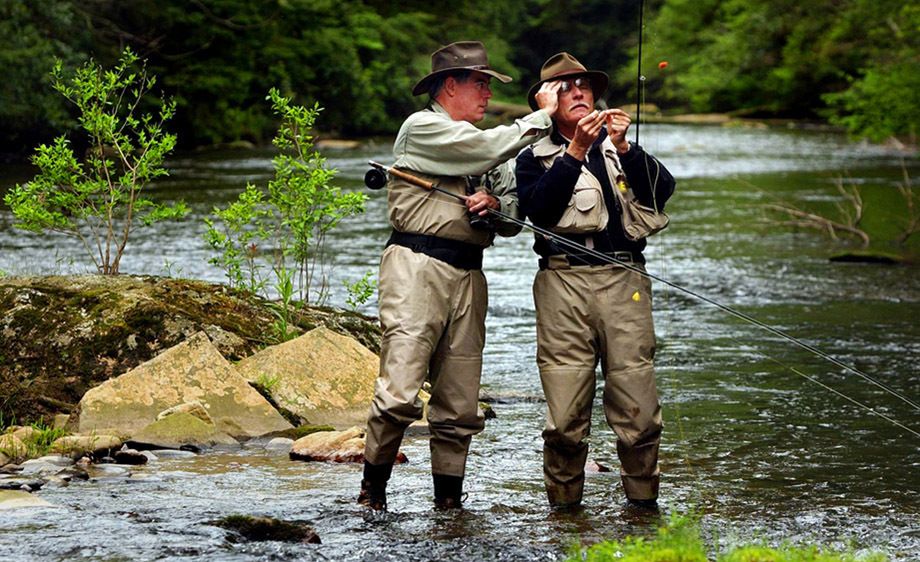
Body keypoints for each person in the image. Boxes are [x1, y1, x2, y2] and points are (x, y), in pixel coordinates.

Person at [360, 41, 559, 511]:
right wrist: (542, 117)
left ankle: (448, 505)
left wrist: (493, 207)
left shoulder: (491, 147)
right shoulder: (422, 128)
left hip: (470, 276)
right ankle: (373, 496)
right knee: (400, 394)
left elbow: (512, 219)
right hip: (416, 267)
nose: (488, 94)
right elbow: (480, 152)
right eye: (481, 84)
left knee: (459, 403)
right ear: (450, 86)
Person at [515, 52, 676, 509]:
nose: (579, 92)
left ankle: (644, 511)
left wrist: (626, 148)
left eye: (584, 85)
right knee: (565, 418)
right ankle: (565, 517)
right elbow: (539, 210)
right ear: (548, 102)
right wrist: (576, 152)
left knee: (639, 411)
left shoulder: (618, 148)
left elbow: (662, 190)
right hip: (561, 285)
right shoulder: (532, 158)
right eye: (566, 88)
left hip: (625, 281)